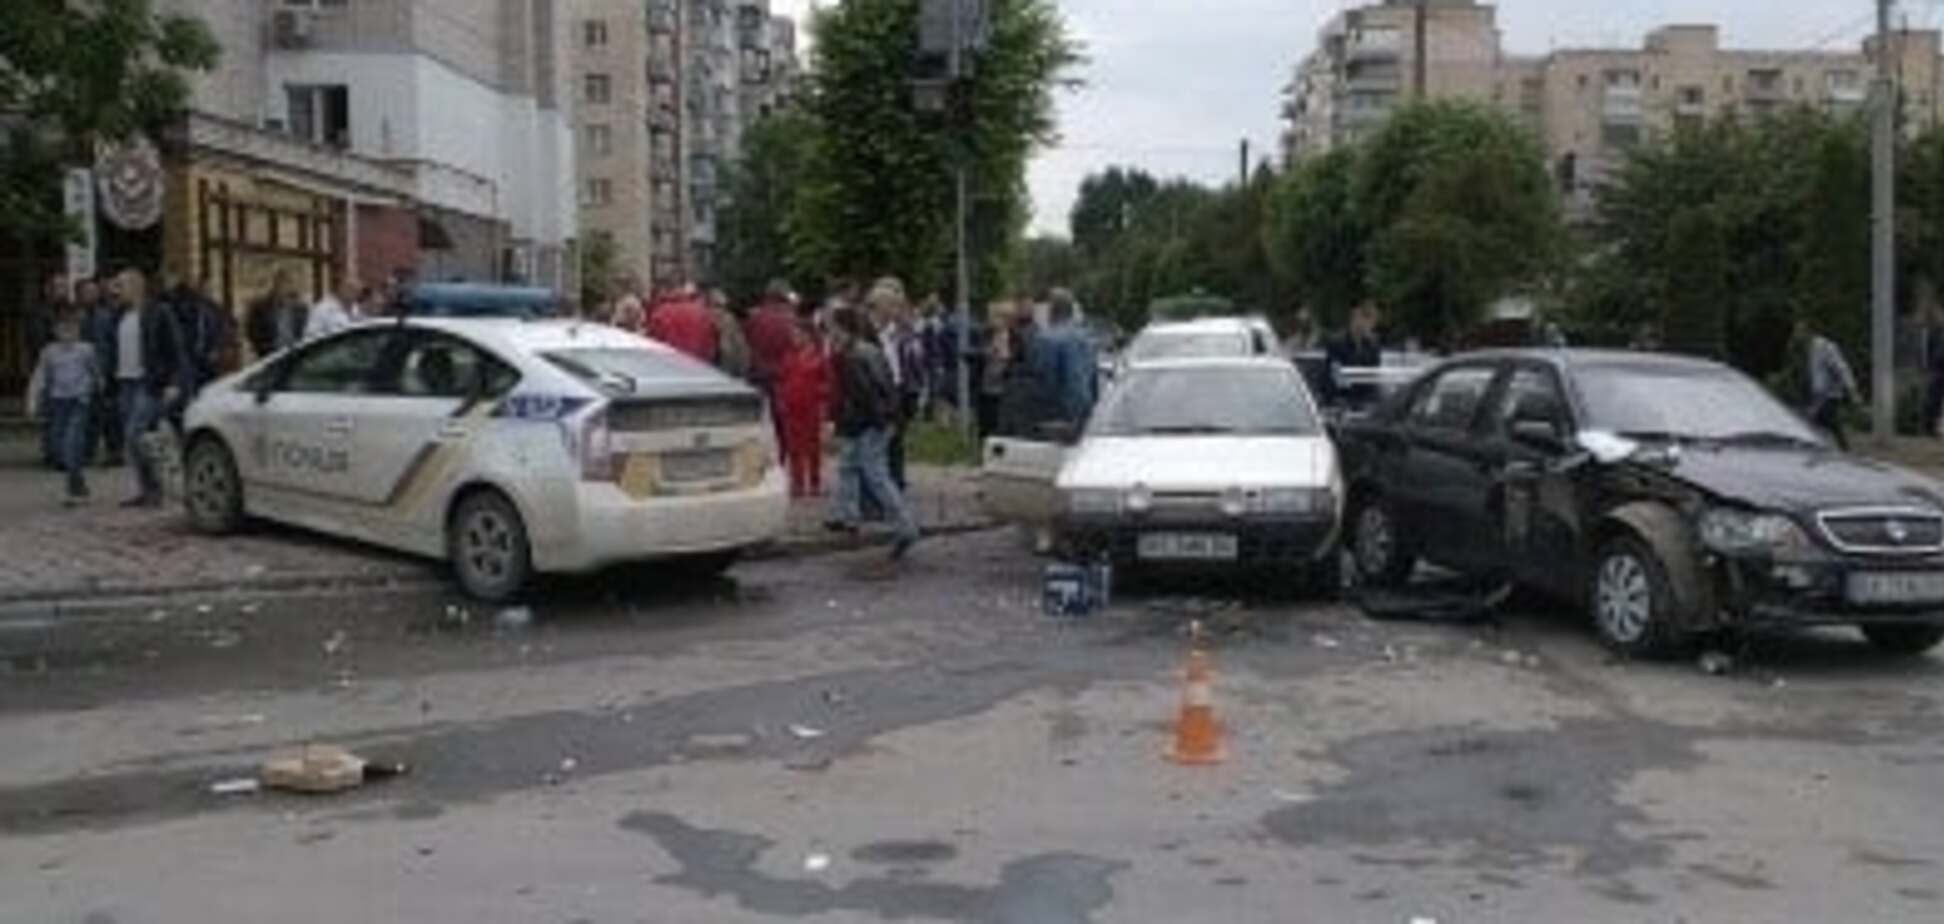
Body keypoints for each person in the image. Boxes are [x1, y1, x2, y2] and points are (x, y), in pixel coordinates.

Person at [825, 305, 919, 560]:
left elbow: (865, 395)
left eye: (833, 327)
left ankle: (905, 526)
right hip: (872, 421)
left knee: (874, 473)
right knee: (853, 466)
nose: (830, 332)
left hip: (869, 422)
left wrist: (871, 421)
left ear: (843, 329)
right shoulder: (864, 351)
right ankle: (849, 516)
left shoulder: (853, 356)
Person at [111, 269, 191, 508]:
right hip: (125, 382)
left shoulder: (159, 312)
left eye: (121, 285)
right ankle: (149, 491)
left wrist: (175, 383)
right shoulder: (120, 314)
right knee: (139, 439)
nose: (116, 290)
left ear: (137, 286)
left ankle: (157, 489)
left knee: (134, 435)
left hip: (149, 382)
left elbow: (177, 349)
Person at [25, 310, 100, 504]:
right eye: (63, 328)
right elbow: (39, 377)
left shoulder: (86, 350)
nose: (68, 332)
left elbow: (95, 373)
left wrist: (94, 389)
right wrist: (33, 401)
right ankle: (79, 483)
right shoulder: (49, 352)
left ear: (78, 330)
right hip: (58, 403)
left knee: (72, 442)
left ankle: (73, 489)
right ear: (55, 331)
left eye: (72, 328)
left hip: (79, 401)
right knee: (59, 446)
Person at [870, 279, 926, 490]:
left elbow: (915, 359)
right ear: (879, 306)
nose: (896, 310)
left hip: (898, 389)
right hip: (876, 390)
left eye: (897, 305)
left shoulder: (903, 333)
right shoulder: (870, 332)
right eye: (891, 305)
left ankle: (896, 480)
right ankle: (881, 486)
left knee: (896, 438)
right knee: (878, 441)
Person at [1025, 288, 1097, 437]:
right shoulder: (1085, 338)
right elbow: (1093, 377)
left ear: (1051, 310)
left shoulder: (1045, 339)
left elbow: (1043, 378)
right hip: (1085, 410)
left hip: (1056, 413)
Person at [776, 317, 831, 498]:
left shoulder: (819, 357)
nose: (794, 337)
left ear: (808, 336)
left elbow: (827, 382)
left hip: (812, 407)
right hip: (791, 408)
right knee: (794, 448)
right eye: (793, 334)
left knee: (813, 447)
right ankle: (797, 483)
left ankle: (814, 482)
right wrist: (781, 399)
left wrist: (821, 397)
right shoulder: (788, 355)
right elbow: (782, 379)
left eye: (797, 334)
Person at [77, 279, 123, 467]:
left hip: (106, 370)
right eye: (86, 292)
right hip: (82, 373)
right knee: (89, 416)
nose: (91, 295)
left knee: (110, 414)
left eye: (93, 291)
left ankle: (115, 451)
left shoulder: (106, 315)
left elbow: (111, 344)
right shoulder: (77, 316)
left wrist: (110, 369)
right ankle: (88, 451)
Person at [29, 274, 71, 468]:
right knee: (52, 413)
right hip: (50, 365)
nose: (62, 290)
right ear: (48, 289)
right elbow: (37, 340)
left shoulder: (68, 309)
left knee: (62, 413)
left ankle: (58, 451)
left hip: (69, 366)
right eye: (58, 286)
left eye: (64, 286)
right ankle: (54, 453)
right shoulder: (40, 312)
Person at [1800, 319, 1860, 451]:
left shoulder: (1825, 346)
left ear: (1809, 331)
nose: (1799, 334)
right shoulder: (1810, 347)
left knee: (1822, 420)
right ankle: (1841, 448)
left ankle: (1842, 449)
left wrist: (1851, 389)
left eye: (1802, 331)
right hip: (1820, 394)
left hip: (1829, 393)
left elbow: (1841, 368)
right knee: (1825, 422)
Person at [744, 279, 799, 408]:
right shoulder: (788, 319)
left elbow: (748, 340)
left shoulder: (755, 317)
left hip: (757, 372)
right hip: (781, 375)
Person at [1324, 303, 1384, 407]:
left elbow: (1374, 374)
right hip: (1342, 398)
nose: (1370, 326)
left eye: (1373, 323)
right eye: (1366, 320)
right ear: (1356, 318)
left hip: (1366, 399)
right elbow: (1334, 374)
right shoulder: (1337, 342)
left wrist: (1374, 398)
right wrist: (1340, 398)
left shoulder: (1373, 344)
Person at [645, 282, 718, 363]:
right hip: (699, 366)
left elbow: (652, 345)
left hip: (670, 366)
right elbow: (711, 346)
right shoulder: (702, 312)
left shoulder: (660, 313)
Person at [245, 270, 307, 360]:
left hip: (294, 354)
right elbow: (252, 331)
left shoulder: (300, 309)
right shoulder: (261, 307)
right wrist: (262, 348)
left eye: (288, 284)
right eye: (281, 284)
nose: (284, 288)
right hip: (270, 354)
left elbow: (304, 332)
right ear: (274, 285)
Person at [707, 288, 751, 379]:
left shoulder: (729, 320)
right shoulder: (728, 320)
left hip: (724, 371)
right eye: (716, 306)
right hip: (719, 370)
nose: (717, 311)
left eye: (720, 307)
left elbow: (739, 348)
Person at [305, 275, 358, 340]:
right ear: (339, 288)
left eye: (355, 288)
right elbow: (310, 338)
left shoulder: (357, 310)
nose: (353, 292)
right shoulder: (322, 309)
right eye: (349, 287)